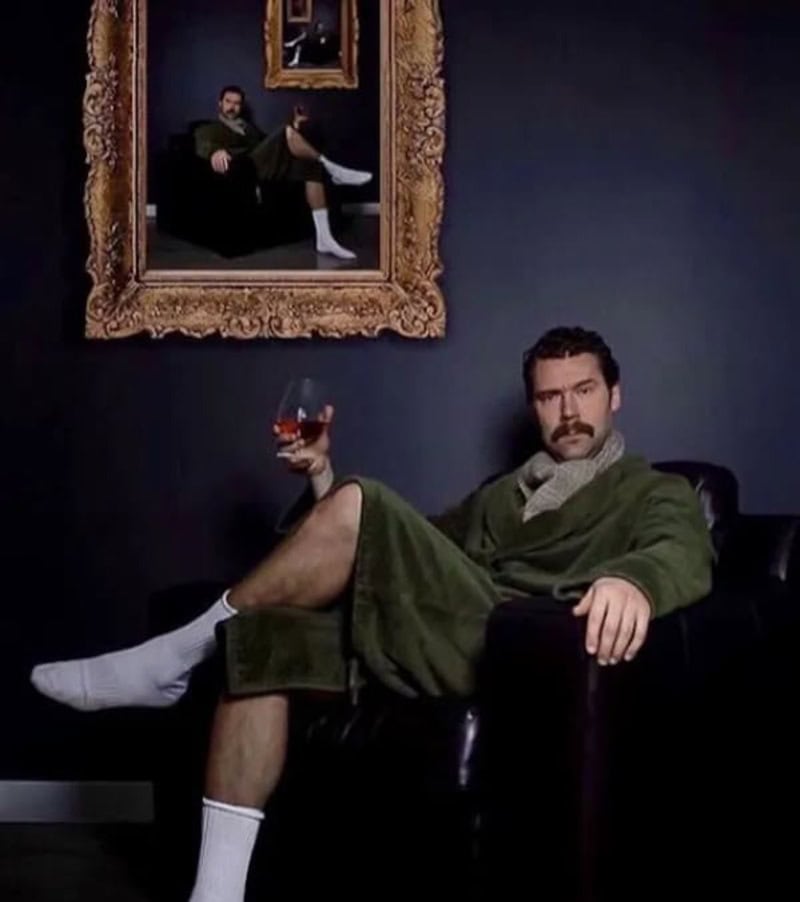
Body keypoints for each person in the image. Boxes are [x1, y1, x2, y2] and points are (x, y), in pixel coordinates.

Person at [31, 327, 712, 902]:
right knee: (262, 637)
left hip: (514, 647)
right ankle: (215, 894)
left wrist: (634, 582)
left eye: (583, 390)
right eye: (549, 396)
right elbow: (406, 548)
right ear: (534, 406)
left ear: (614, 395)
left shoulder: (654, 491)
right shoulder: (504, 494)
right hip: (435, 629)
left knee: (365, 499)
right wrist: (322, 484)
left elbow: (682, 552)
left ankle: (177, 653)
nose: (568, 411)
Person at [194, 85, 371, 260]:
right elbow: (202, 145)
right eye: (228, 102)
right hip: (247, 167)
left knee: (311, 167)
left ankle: (324, 239)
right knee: (284, 130)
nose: (232, 107)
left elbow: (269, 143)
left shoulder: (249, 128)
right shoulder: (209, 129)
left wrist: (295, 126)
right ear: (220, 103)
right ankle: (333, 169)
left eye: (236, 103)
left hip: (265, 164)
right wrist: (215, 152)